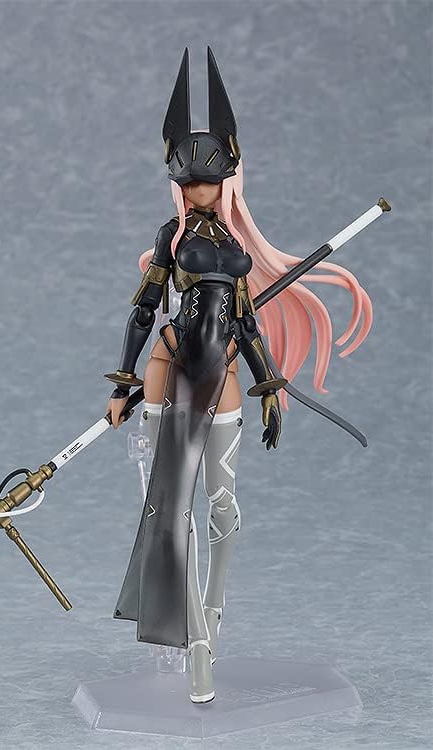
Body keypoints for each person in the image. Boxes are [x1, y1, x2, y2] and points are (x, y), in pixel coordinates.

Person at [105, 48, 372, 703]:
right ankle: (195, 643)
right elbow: (144, 309)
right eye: (191, 182)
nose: (200, 191)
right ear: (179, 184)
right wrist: (123, 383)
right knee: (175, 508)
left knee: (224, 509)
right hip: (172, 364)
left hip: (223, 368)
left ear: (227, 179)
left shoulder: (233, 245)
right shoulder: (172, 238)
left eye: (211, 180)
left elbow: (246, 323)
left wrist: (270, 385)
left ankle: (212, 625)